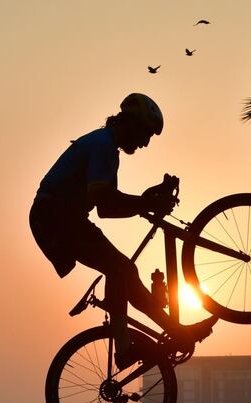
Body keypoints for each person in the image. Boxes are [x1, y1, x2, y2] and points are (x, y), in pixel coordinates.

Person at [30, 93, 217, 368]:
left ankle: (178, 332)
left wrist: (147, 201)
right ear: (132, 124)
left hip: (64, 218)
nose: (145, 143)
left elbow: (108, 207)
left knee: (127, 273)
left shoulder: (106, 147)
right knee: (119, 269)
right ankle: (124, 348)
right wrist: (147, 202)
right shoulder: (103, 147)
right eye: (146, 135)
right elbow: (107, 203)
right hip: (55, 218)